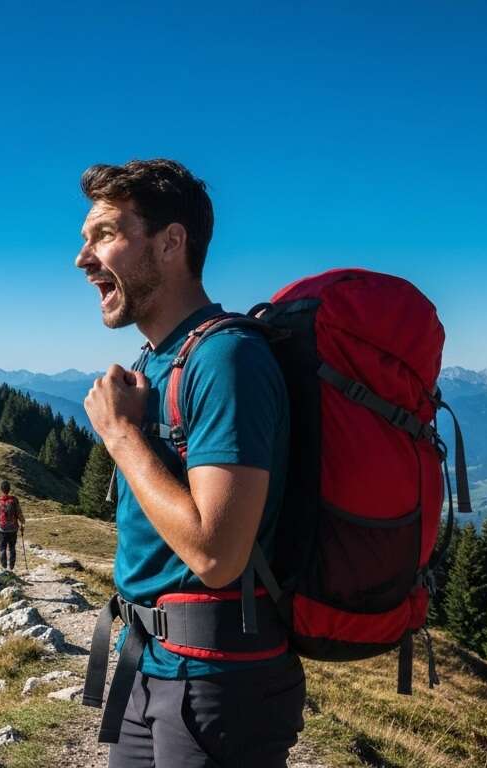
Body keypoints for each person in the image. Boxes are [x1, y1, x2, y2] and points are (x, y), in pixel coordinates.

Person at [77, 159, 304, 766]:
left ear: (171, 242)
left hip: (218, 683)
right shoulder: (156, 360)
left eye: (104, 235)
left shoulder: (226, 359)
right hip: (148, 665)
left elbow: (216, 555)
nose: (82, 259)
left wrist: (120, 435)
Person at [0, 480, 24, 570]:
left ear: (1, 489)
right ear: (9, 489)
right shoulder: (14, 500)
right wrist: (22, 523)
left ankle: (4, 567)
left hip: (2, 529)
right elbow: (19, 514)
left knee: (2, 548)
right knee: (12, 547)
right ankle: (11, 566)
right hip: (13, 528)